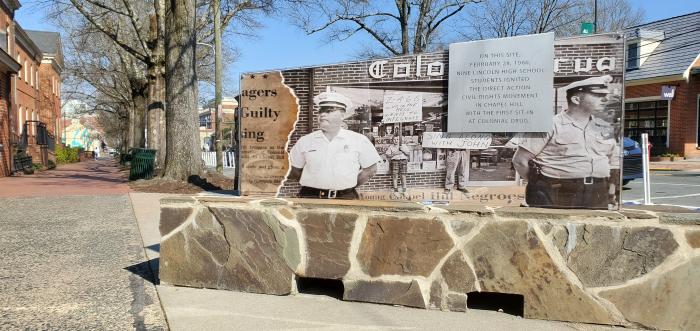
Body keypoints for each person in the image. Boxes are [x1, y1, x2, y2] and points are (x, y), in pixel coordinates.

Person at [512, 75, 619, 209]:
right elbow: (520, 160)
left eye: (605, 95)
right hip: (557, 191)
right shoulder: (549, 125)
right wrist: (540, 184)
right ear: (576, 99)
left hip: (597, 192)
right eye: (598, 95)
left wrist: (611, 193)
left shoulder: (604, 127)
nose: (605, 99)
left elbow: (613, 162)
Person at [288, 87, 381, 199]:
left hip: (345, 198)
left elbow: (370, 170)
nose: (322, 115)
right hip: (310, 197)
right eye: (321, 111)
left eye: (329, 111)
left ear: (342, 115)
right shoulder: (306, 141)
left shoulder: (358, 140)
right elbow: (294, 170)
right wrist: (314, 184)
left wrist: (347, 186)